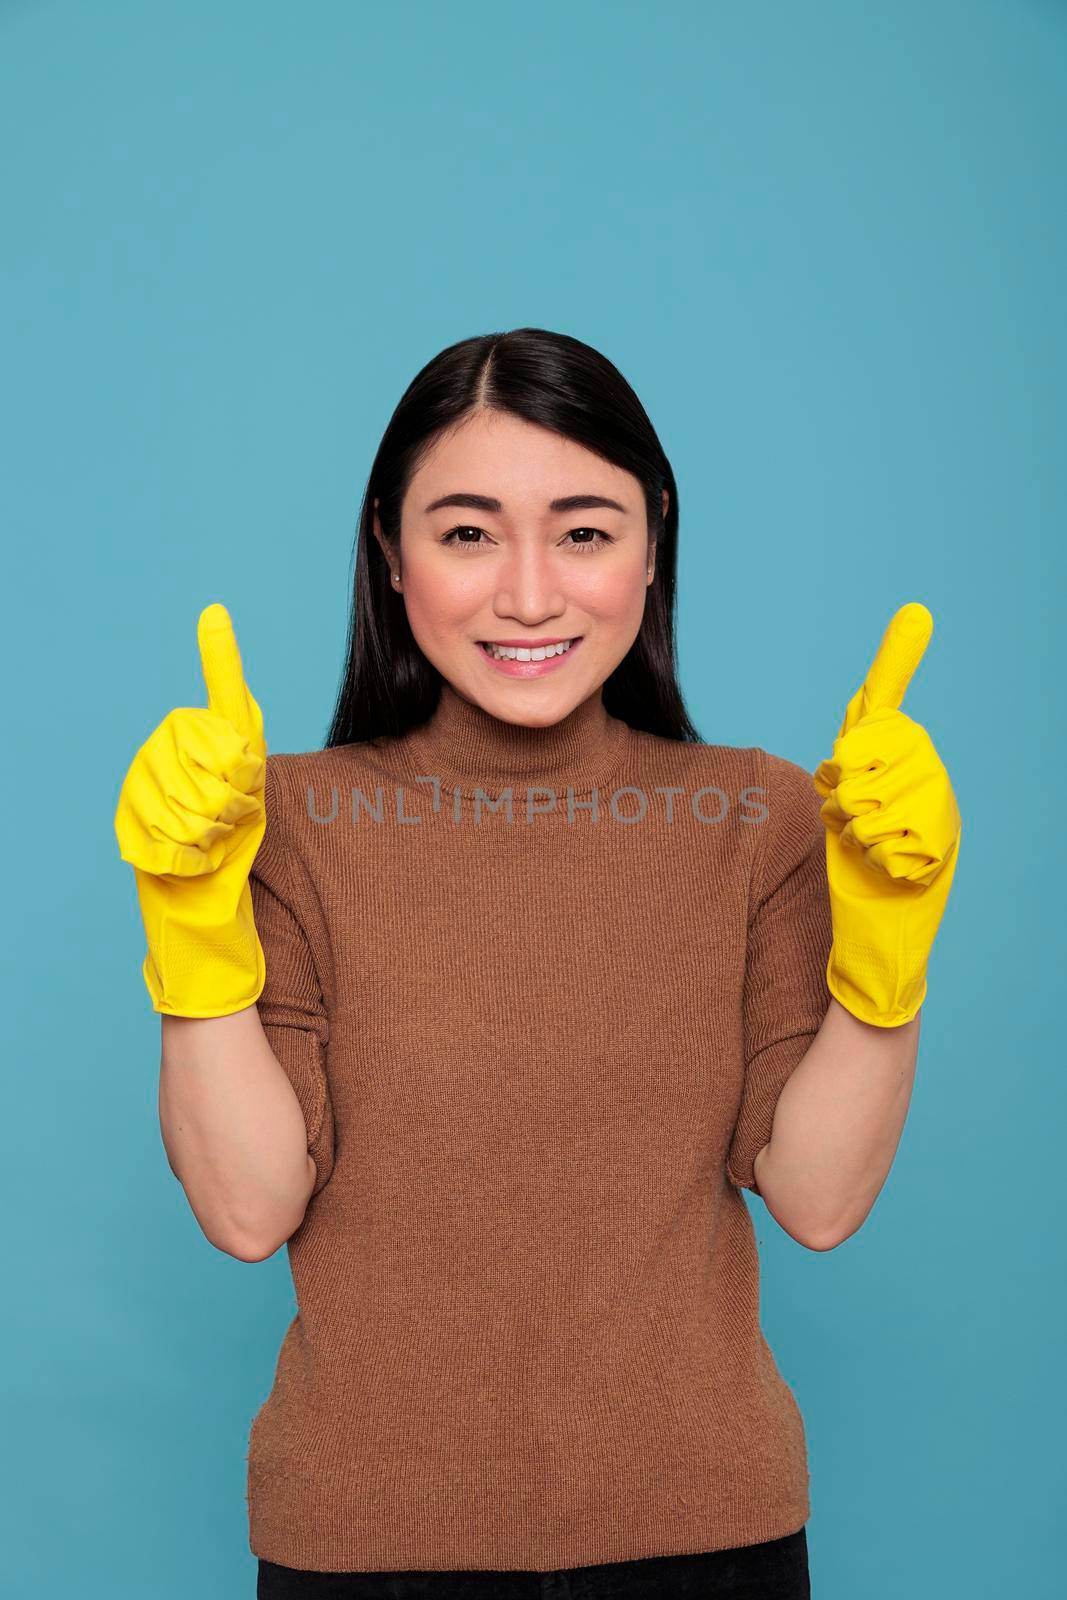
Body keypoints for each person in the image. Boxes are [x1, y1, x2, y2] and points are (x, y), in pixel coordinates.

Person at [114, 328, 961, 1599]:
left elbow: (819, 1201)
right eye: (464, 533)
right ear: (391, 556)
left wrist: (887, 941)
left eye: (582, 530)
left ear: (653, 543)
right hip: (363, 1547)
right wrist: (192, 914)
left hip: (708, 1540)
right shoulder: (272, 822)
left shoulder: (765, 820)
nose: (527, 594)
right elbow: (246, 1212)